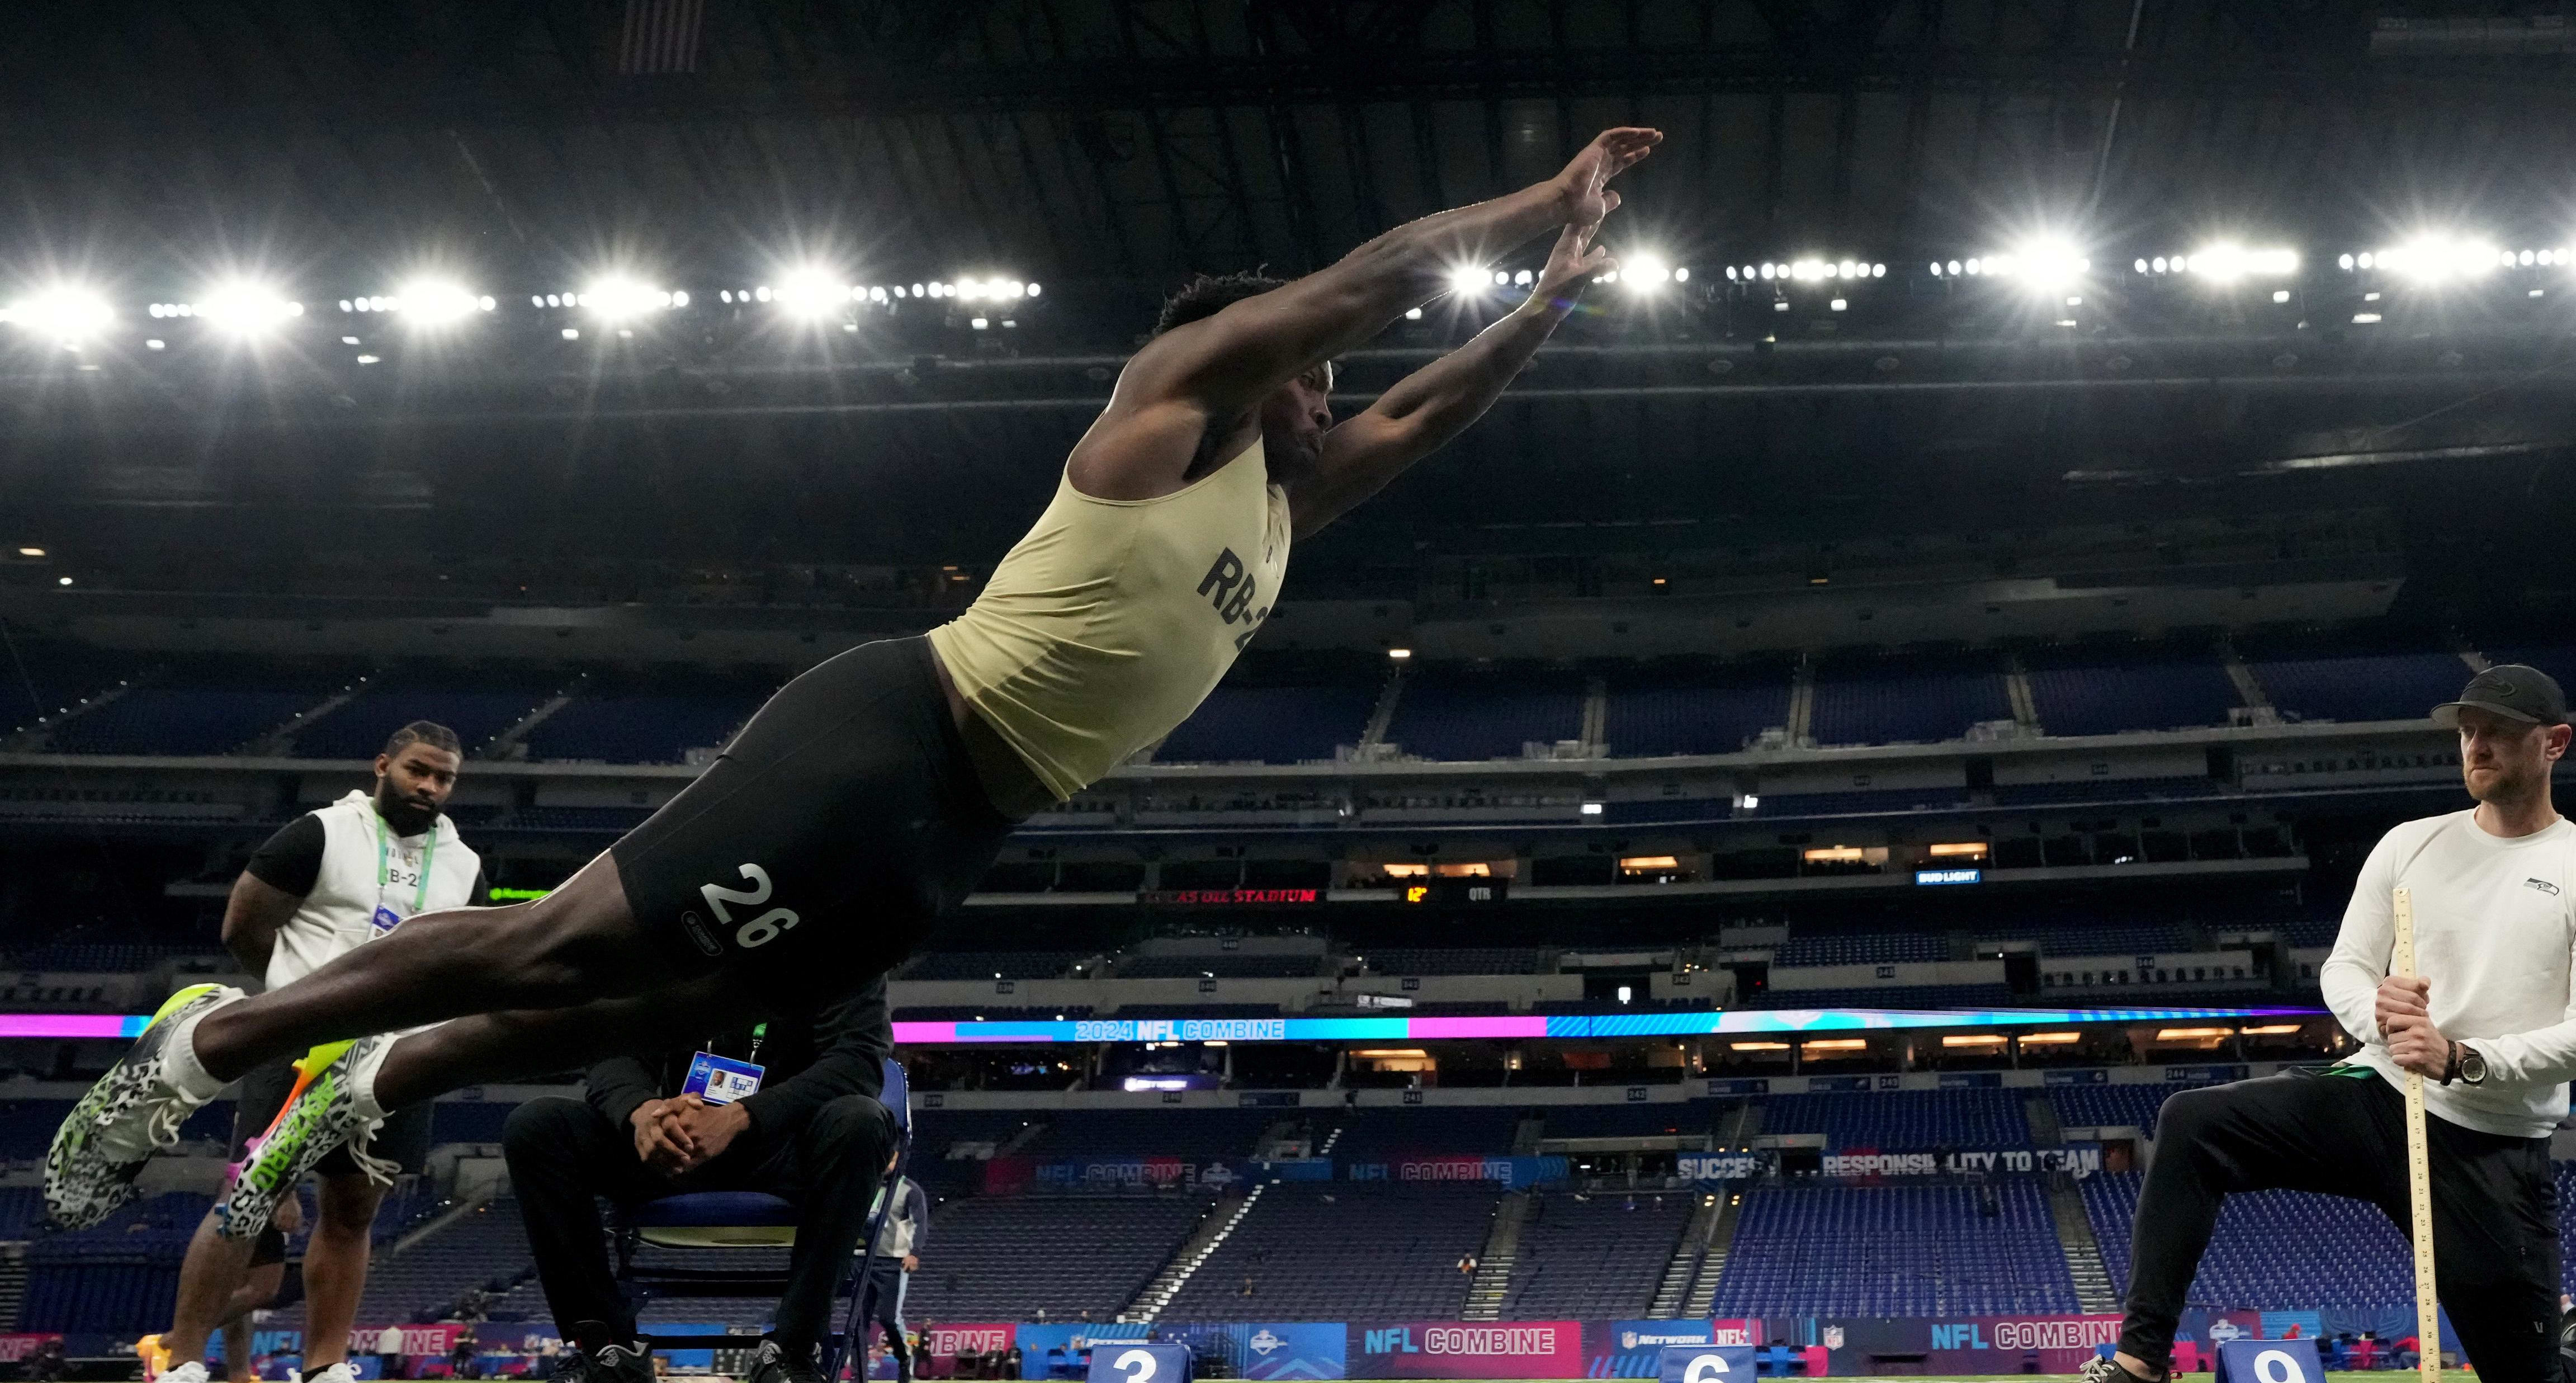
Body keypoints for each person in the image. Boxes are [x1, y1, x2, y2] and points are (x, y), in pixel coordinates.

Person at [45, 127, 1664, 1231]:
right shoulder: (1172, 410)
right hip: (891, 734)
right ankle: (199, 1054)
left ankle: (381, 1077)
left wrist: (1557, 294)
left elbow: (1431, 412)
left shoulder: (1284, 508)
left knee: (655, 1011)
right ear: (1255, 353)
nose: (1343, 388)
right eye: (1318, 367)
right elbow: (1371, 279)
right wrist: (1543, 198)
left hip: (962, 824)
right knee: (562, 941)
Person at [2016, 665, 2576, 1383]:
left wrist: (2464, 1058)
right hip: (2379, 1096)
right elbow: (2345, 968)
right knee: (2193, 1122)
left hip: (2493, 1140)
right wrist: (2379, 1017)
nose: (2478, 746)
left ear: (2556, 744)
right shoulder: (2411, 846)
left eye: (2501, 733)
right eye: (2468, 731)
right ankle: (2139, 1373)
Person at [134, 723, 482, 1383]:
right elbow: (244, 926)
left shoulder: (465, 860)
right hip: (298, 1043)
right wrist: (297, 1001)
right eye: (418, 771)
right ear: (382, 764)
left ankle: (321, 1374)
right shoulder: (319, 833)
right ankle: (182, 1368)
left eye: (444, 778)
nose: (430, 788)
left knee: (355, 1209)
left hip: (397, 1055)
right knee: (248, 1200)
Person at [489, 994, 897, 1383]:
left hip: (787, 1148)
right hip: (676, 1145)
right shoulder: (671, 942)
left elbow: (858, 1063)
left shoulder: (840, 945)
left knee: (861, 1119)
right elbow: (613, 1045)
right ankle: (609, 1362)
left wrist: (742, 1116)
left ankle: (790, 1358)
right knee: (538, 1126)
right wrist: (642, 1111)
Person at [137, 1190, 299, 1383]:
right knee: (262, 1289)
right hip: (263, 1186)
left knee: (244, 1286)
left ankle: (240, 1381)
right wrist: (287, 1196)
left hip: (254, 1187)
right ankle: (167, 1342)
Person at [866, 1153, 930, 1383]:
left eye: (890, 1159)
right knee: (859, 1320)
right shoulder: (867, 1183)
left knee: (888, 1318)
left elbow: (921, 1224)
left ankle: (904, 1360)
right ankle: (857, 1376)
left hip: (894, 1261)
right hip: (864, 1259)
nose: (885, 1164)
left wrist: (915, 1253)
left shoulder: (910, 1190)